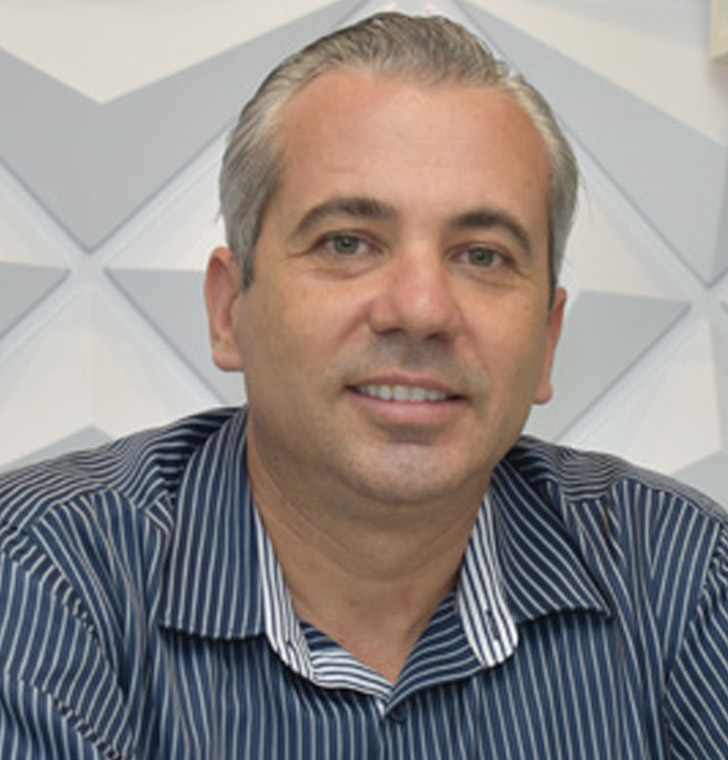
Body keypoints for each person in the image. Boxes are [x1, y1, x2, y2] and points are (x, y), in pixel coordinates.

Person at [0, 11, 726, 760]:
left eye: (482, 255)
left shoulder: (685, 578)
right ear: (228, 310)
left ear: (547, 340)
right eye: (347, 243)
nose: (421, 309)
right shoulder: (37, 574)